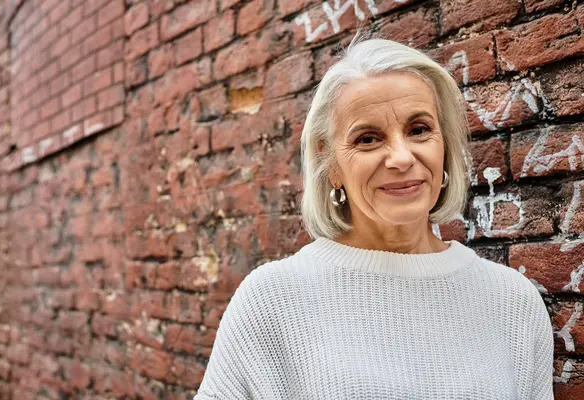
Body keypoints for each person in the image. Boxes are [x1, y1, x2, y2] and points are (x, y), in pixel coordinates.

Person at [193, 33, 555, 399]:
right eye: (368, 138)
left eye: (419, 130)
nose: (401, 158)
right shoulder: (272, 300)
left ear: (443, 144)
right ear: (329, 162)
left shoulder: (511, 300)